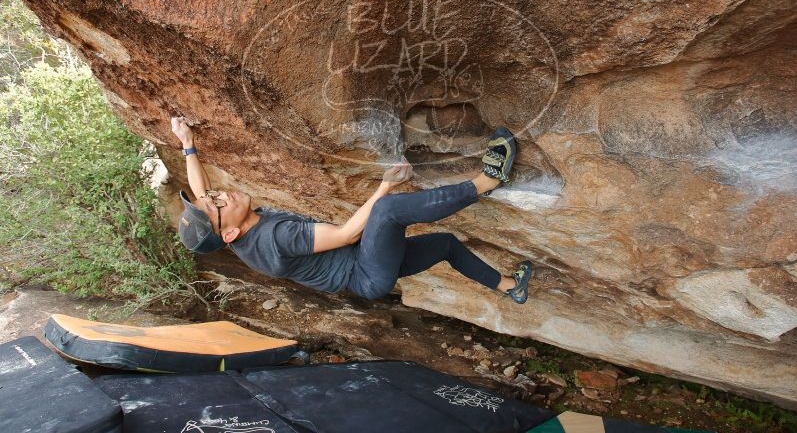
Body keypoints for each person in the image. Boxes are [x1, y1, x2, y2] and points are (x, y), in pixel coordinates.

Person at [171, 116, 532, 304]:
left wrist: (188, 145)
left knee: (446, 245)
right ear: (229, 233)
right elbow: (348, 234)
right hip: (365, 271)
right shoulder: (275, 237)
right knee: (388, 210)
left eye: (214, 196)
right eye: (217, 204)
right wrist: (385, 186)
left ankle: (510, 287)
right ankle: (488, 180)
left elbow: (204, 194)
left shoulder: (230, 234)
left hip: (364, 268)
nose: (222, 196)